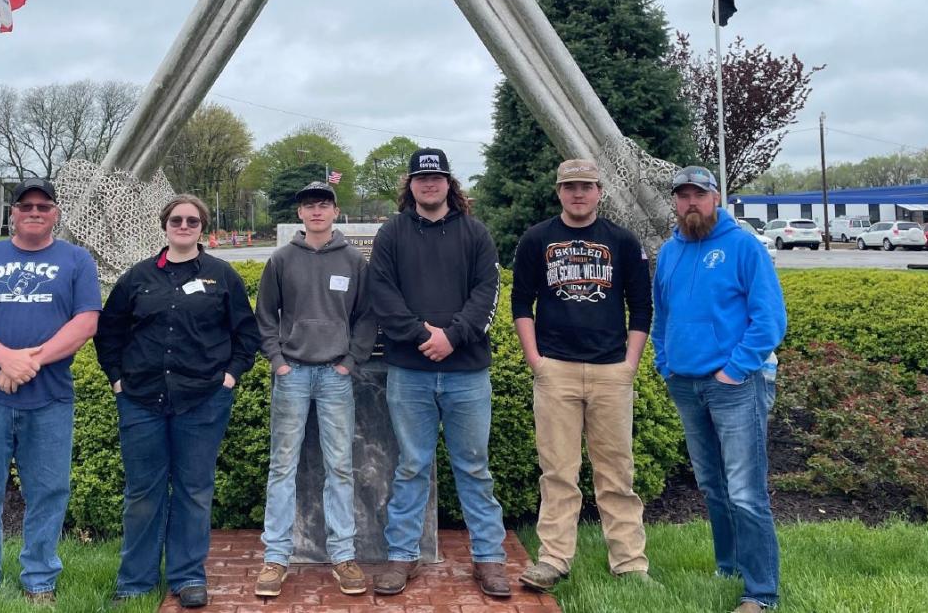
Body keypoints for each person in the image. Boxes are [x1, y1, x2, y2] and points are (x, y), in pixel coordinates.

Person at [94, 194, 260, 609]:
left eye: (192, 220)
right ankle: (136, 579)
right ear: (164, 225)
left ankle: (188, 576)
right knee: (143, 493)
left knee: (194, 490)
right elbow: (108, 331)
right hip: (141, 400)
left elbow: (247, 336)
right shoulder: (138, 277)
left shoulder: (222, 277)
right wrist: (116, 379)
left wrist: (229, 378)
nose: (183, 226)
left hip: (203, 401)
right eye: (176, 220)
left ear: (203, 227)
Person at [0, 177, 102, 612]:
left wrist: (28, 363)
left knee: (49, 489)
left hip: (50, 398)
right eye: (26, 205)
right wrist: (4, 360)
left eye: (44, 206)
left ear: (56, 213)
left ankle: (39, 579)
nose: (35, 212)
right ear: (12, 212)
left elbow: (85, 323)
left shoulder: (76, 261)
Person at [366, 148, 511, 598]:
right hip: (409, 371)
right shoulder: (391, 234)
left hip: (467, 372)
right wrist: (418, 334)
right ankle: (401, 557)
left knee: (474, 467)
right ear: (410, 185)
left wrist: (453, 336)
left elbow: (488, 292)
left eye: (437, 178)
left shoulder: (475, 233)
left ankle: (489, 559)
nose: (429, 185)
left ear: (450, 183)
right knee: (411, 466)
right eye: (421, 179)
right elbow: (382, 294)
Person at [511, 159, 654, 592]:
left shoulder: (623, 242)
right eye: (570, 186)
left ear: (599, 192)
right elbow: (522, 304)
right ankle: (553, 560)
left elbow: (642, 307)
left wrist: (630, 364)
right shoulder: (537, 239)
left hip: (612, 370)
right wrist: (536, 360)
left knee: (616, 473)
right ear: (559, 192)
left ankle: (630, 563)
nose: (578, 194)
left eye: (586, 187)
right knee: (558, 472)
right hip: (557, 370)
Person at [652, 165, 787, 613]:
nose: (691, 202)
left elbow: (770, 320)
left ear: (716, 199)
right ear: (675, 202)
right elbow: (661, 316)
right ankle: (727, 566)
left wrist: (735, 370)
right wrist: (665, 363)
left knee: (745, 490)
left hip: (736, 385)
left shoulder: (743, 247)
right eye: (683, 195)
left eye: (699, 194)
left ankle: (760, 592)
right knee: (712, 485)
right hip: (686, 384)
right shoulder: (669, 253)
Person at [254, 180, 378, 598]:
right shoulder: (282, 259)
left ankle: (343, 555)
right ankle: (276, 557)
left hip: (334, 376)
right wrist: (278, 361)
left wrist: (350, 361)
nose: (316, 211)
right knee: (282, 466)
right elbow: (265, 316)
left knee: (340, 466)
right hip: (293, 375)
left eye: (323, 204)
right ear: (301, 214)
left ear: (335, 210)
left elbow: (366, 316)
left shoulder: (354, 260)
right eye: (309, 205)